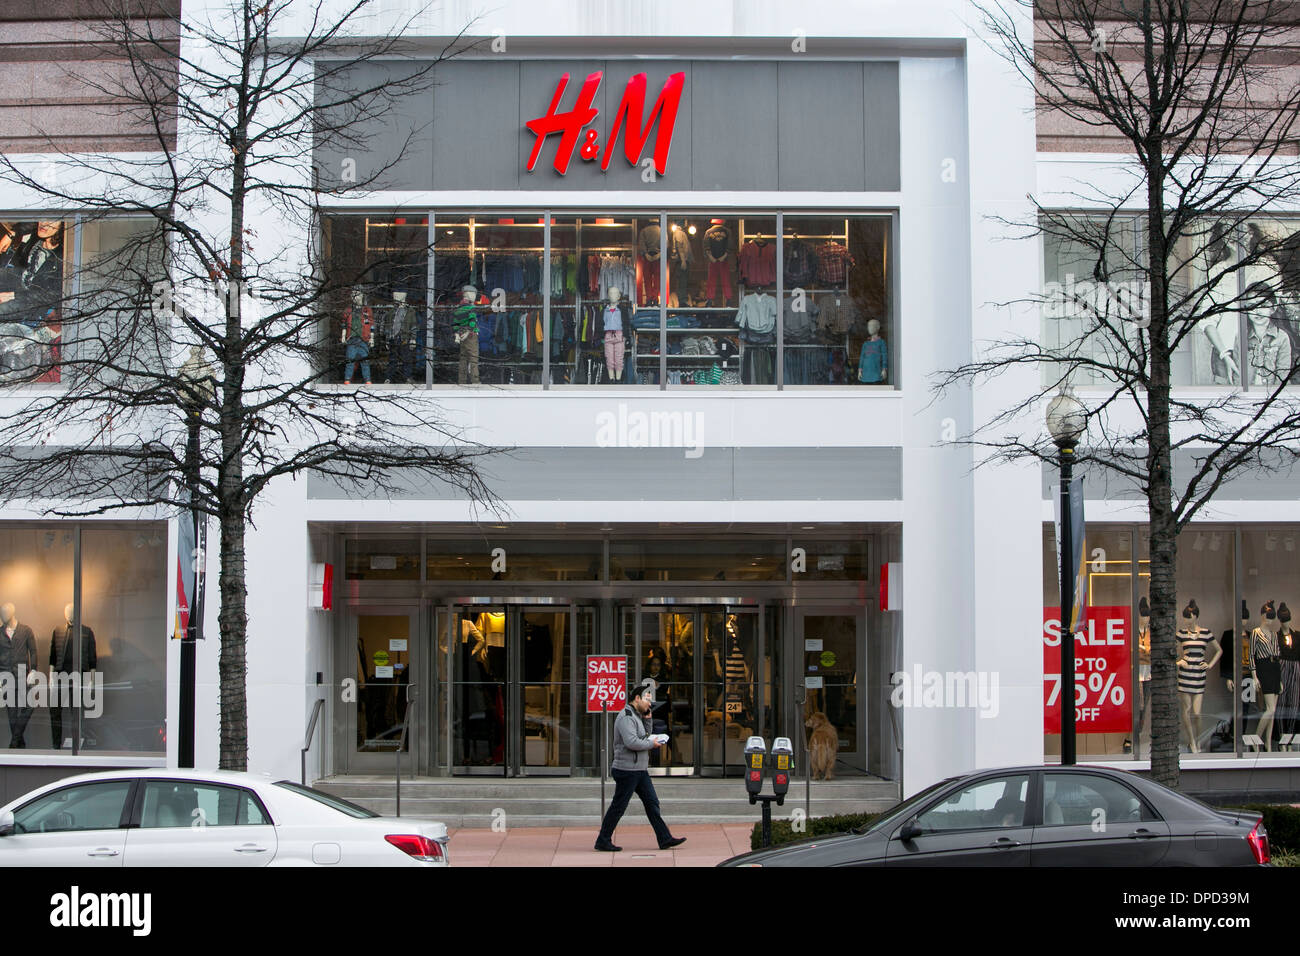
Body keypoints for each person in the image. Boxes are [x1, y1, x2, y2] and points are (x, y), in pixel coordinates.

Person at [594, 682, 687, 852]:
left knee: (652, 803)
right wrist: (652, 744)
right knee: (619, 806)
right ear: (637, 698)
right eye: (647, 700)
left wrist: (648, 719)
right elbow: (632, 742)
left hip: (639, 770)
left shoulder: (637, 715)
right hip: (626, 770)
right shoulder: (626, 716)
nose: (649, 704)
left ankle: (664, 838)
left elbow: (643, 735)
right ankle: (603, 839)